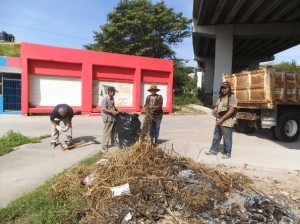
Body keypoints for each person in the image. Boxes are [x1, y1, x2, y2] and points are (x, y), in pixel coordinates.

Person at [205, 81, 237, 159]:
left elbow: (232, 110)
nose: (224, 90)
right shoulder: (221, 97)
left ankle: (227, 153)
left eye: (226, 88)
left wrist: (222, 119)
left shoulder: (232, 97)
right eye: (222, 88)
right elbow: (217, 105)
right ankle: (213, 150)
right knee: (217, 135)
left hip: (227, 120)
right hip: (219, 119)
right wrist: (214, 109)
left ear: (229, 88)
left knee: (227, 137)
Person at [101, 86, 120, 152]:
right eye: (113, 92)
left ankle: (113, 142)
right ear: (109, 92)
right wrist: (112, 111)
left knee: (114, 132)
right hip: (107, 118)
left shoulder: (112, 99)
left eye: (114, 92)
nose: (114, 93)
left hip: (113, 118)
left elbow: (112, 107)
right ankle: (104, 147)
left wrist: (117, 110)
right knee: (107, 133)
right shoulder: (105, 99)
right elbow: (104, 109)